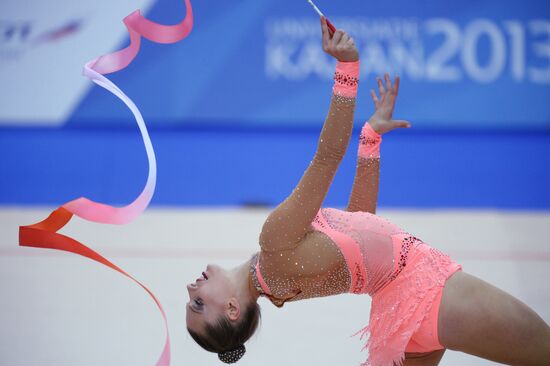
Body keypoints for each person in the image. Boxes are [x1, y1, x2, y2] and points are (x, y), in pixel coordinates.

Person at [186, 17, 550, 366]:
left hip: (400, 320)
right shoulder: (274, 245)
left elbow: (361, 228)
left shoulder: (277, 284)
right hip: (427, 292)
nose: (190, 289)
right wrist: (348, 69)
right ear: (233, 310)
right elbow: (326, 159)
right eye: (198, 304)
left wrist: (370, 140)